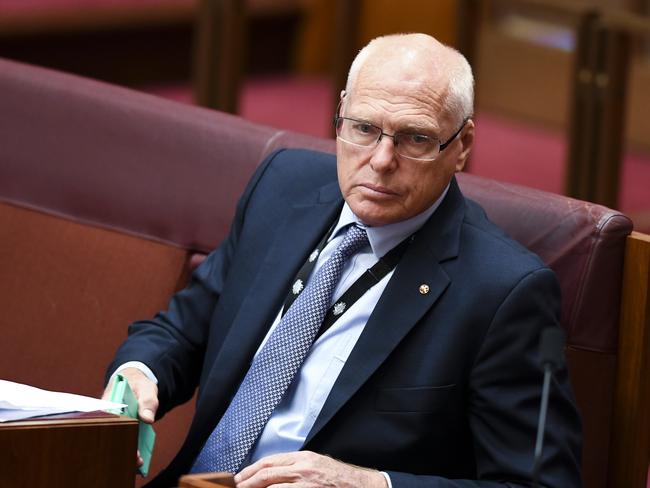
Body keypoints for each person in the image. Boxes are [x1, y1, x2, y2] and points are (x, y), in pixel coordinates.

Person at [104, 33, 582, 487]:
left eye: (414, 139)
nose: (380, 160)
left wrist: (370, 483)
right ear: (340, 116)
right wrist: (139, 375)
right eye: (364, 128)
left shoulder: (505, 291)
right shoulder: (281, 187)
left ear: (461, 147)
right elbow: (183, 330)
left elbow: (541, 483)